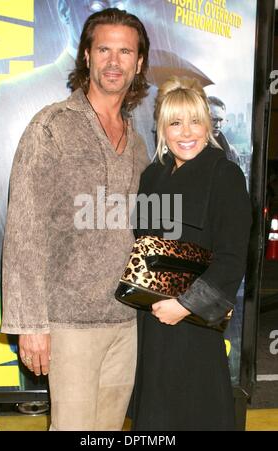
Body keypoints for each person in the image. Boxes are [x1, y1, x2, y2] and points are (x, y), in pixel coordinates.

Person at [1, 8, 150, 431]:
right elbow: (25, 228)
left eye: (125, 51)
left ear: (138, 63)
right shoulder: (52, 126)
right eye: (104, 49)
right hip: (69, 323)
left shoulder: (137, 140)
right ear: (86, 55)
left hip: (125, 320)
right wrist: (30, 324)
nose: (114, 61)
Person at [131, 76, 252, 431]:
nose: (187, 132)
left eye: (195, 121)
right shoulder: (153, 176)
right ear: (162, 129)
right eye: (175, 122)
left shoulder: (224, 174)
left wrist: (184, 305)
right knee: (154, 415)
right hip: (150, 321)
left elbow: (231, 257)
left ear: (208, 125)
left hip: (194, 323)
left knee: (194, 413)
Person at [208, 95, 240, 165]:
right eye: (214, 120)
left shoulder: (232, 153)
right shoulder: (190, 149)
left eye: (221, 120)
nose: (218, 125)